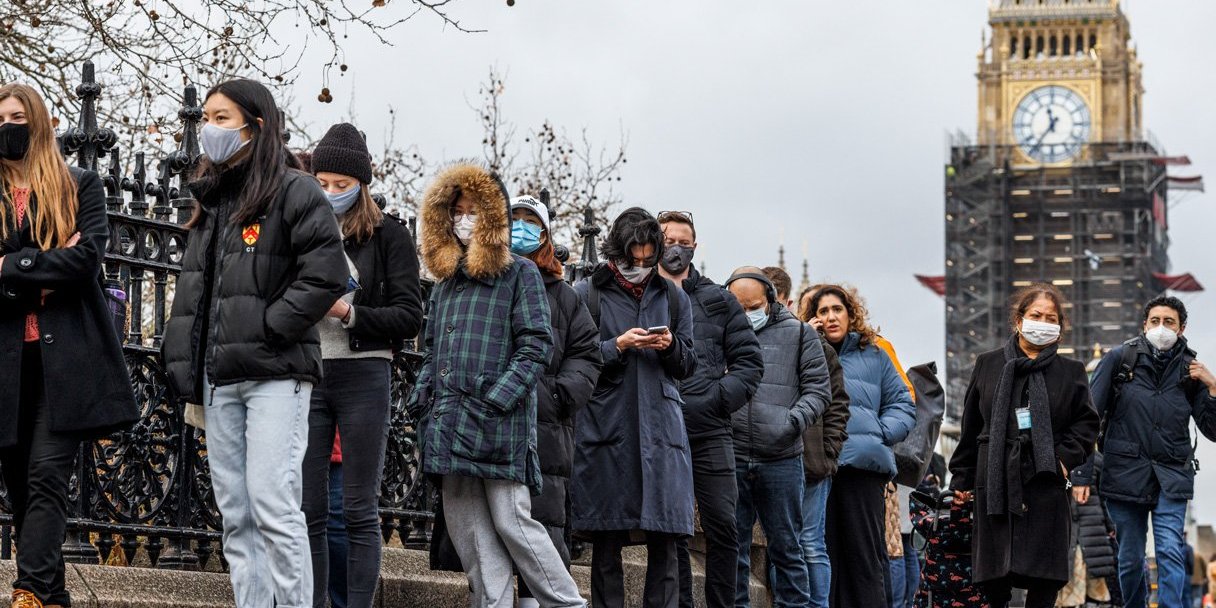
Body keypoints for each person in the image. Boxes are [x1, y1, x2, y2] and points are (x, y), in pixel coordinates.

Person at [162, 79, 348, 608]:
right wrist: (183, 358)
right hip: (219, 379)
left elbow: (326, 275)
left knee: (274, 504)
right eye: (206, 119)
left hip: (275, 375)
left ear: (256, 125)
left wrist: (270, 327)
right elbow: (196, 290)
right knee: (236, 514)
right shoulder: (211, 200)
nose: (209, 129)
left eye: (222, 119)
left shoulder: (296, 189)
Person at [406, 162, 584, 608]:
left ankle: (568, 604)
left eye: (473, 211)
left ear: (491, 217)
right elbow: (433, 352)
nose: (463, 219)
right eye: (456, 211)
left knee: (514, 524)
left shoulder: (520, 275)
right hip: (450, 422)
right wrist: (422, 399)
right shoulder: (445, 285)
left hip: (498, 424)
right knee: (474, 540)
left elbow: (535, 344)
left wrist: (498, 398)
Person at [0, 83, 140, 608]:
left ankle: (28, 592)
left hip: (65, 361)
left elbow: (86, 264)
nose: (7, 127)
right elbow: (65, 264)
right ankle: (55, 595)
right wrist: (44, 266)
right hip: (9, 361)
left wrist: (9, 266)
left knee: (45, 476)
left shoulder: (79, 185)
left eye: (16, 116)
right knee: (19, 487)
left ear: (38, 123)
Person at [299, 123, 423, 608]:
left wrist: (349, 313)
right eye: (323, 183)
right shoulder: (303, 227)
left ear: (362, 184)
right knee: (308, 508)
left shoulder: (388, 235)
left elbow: (410, 315)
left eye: (342, 185)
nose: (331, 193)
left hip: (363, 373)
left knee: (358, 507)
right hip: (310, 373)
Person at [570, 207, 697, 608]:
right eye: (632, 259)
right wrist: (618, 346)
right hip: (609, 425)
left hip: (661, 429)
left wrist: (671, 345)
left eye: (647, 259)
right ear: (615, 252)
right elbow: (578, 357)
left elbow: (689, 364)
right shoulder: (587, 293)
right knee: (606, 540)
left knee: (665, 541)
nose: (640, 266)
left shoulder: (674, 297)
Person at [948, 283, 1100, 608]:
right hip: (995, 478)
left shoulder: (1071, 372)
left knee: (1045, 577)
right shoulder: (987, 364)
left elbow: (1087, 425)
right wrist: (961, 479)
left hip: (1044, 481)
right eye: (1036, 315)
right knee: (994, 576)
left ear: (1060, 327)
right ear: (1018, 320)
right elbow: (971, 426)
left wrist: (1061, 459)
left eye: (1051, 318)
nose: (1042, 322)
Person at [1079, 295, 1216, 608]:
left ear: (1182, 329)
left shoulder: (1190, 370)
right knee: (1129, 559)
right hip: (1125, 474)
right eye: (1155, 321)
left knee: (1170, 550)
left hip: (1173, 474)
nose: (1161, 328)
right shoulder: (1118, 359)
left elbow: (1212, 430)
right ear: (1144, 325)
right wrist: (1083, 474)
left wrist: (1213, 388)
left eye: (1169, 322)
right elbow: (1089, 419)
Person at [656, 212, 763, 608]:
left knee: (724, 524)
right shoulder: (645, 295)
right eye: (668, 239)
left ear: (694, 247)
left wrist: (718, 399)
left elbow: (750, 363)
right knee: (672, 529)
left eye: (683, 241)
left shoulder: (719, 299)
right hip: (662, 428)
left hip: (711, 429)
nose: (676, 248)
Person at [508, 194, 603, 608]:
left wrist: (558, 394)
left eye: (532, 222)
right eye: (515, 220)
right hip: (489, 420)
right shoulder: (482, 280)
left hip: (544, 426)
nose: (521, 229)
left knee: (540, 529)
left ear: (545, 235)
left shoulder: (565, 297)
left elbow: (587, 355)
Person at [804, 284, 916, 608]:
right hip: (818, 466)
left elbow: (903, 404)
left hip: (862, 468)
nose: (830, 317)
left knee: (866, 557)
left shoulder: (875, 353)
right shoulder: (805, 348)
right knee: (824, 555)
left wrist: (879, 433)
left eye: (837, 309)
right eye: (822, 311)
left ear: (850, 314)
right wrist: (806, 339)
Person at [725, 268, 830, 608]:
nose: (746, 314)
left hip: (782, 457)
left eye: (752, 306)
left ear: (770, 301)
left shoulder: (800, 335)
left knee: (788, 548)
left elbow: (819, 391)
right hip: (733, 455)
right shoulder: (719, 331)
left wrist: (791, 421)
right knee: (733, 549)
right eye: (737, 306)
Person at [768, 268, 851, 608]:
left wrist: (828, 451)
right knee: (780, 543)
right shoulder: (751, 343)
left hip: (811, 460)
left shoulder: (813, 344)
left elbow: (837, 403)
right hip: (769, 457)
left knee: (811, 544)